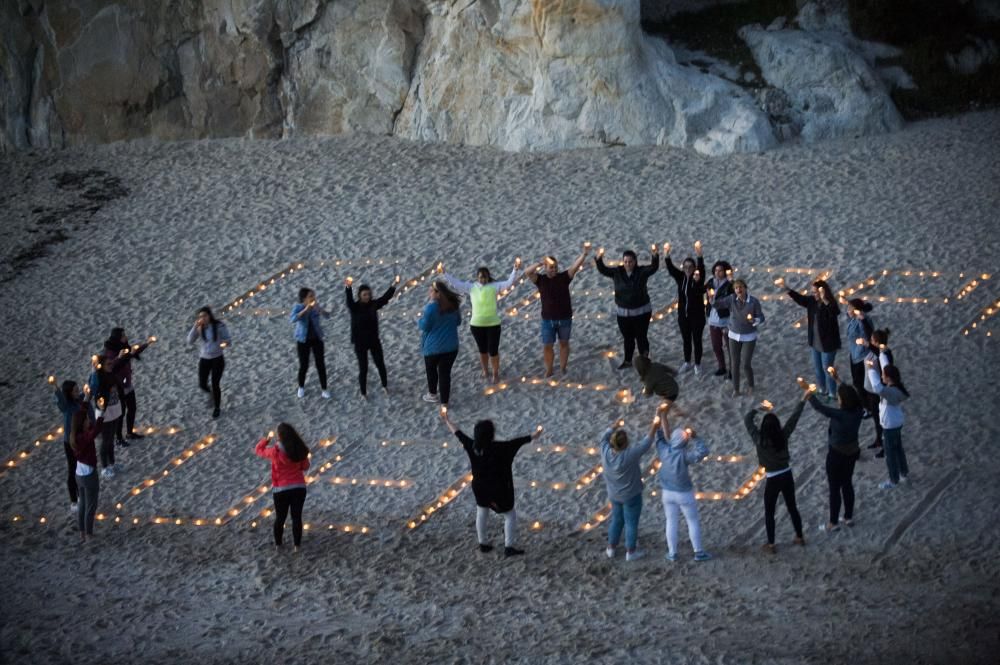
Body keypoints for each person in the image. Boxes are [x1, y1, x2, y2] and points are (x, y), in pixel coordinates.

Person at [440, 407, 543, 557]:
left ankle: (483, 543)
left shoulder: (473, 446)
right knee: (509, 515)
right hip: (499, 490)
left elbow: (458, 433)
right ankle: (509, 546)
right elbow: (519, 441)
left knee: (482, 512)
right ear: (492, 434)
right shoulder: (503, 448)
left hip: (480, 488)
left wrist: (447, 420)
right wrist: (535, 435)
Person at [600, 405, 665, 561]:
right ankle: (631, 551)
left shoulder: (605, 450)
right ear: (625, 443)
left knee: (616, 519)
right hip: (631, 496)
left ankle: (611, 548)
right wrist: (655, 423)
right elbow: (648, 441)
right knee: (631, 523)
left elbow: (604, 437)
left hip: (614, 495)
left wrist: (613, 427)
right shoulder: (630, 454)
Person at [442, 259, 522, 384]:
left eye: (484, 278)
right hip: (476, 325)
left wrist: (515, 270)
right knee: (482, 349)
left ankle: (495, 373)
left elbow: (509, 283)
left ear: (488, 277)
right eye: (480, 277)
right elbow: (456, 284)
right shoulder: (471, 287)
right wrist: (445, 273)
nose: (482, 280)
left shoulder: (494, 286)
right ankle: (485, 370)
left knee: (493, 350)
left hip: (493, 324)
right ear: (477, 277)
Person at [744, 395, 808, 553]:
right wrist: (802, 400)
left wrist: (760, 408)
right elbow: (794, 418)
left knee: (769, 511)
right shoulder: (783, 436)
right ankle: (799, 536)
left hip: (772, 479)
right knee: (792, 507)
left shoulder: (759, 439)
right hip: (787, 475)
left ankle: (771, 544)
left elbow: (747, 420)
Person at [804, 374, 864, 533]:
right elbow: (850, 393)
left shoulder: (840, 415)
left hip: (836, 454)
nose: (838, 399)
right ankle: (848, 517)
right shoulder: (859, 411)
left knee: (834, 488)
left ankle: (833, 523)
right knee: (847, 483)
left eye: (839, 397)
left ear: (843, 400)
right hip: (852, 452)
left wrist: (809, 394)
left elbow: (820, 408)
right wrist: (837, 379)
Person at [524, 245, 590, 377]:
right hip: (548, 320)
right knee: (547, 346)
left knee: (564, 344)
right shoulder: (541, 280)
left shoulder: (564, 277)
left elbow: (574, 267)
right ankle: (549, 369)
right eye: (551, 267)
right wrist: (540, 263)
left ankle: (563, 367)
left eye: (555, 267)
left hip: (565, 319)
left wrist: (584, 255)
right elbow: (527, 272)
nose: (553, 269)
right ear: (546, 268)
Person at [655, 407, 711, 561]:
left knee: (671, 522)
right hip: (684, 493)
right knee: (692, 521)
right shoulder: (686, 455)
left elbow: (658, 437)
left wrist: (658, 418)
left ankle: (672, 553)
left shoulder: (664, 450)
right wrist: (696, 437)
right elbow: (703, 451)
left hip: (667, 493)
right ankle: (698, 552)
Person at [594, 245, 660, 369]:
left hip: (642, 312)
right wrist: (598, 258)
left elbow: (653, 267)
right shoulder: (617, 272)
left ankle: (644, 360)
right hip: (623, 313)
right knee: (628, 338)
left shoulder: (641, 272)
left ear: (635, 261)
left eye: (630, 261)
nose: (628, 264)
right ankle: (628, 360)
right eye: (625, 261)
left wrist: (655, 255)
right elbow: (603, 269)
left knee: (641, 336)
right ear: (622, 262)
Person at [254, 424, 311, 552]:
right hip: (298, 488)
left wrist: (267, 439)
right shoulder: (299, 449)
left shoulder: (275, 451)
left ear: (279, 436)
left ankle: (278, 544)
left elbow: (258, 449)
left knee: (280, 518)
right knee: (297, 517)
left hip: (281, 489)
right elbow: (305, 467)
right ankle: (297, 546)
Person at [782, 278, 842, 398]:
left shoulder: (829, 303)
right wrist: (788, 290)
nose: (814, 294)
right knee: (818, 369)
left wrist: (824, 299)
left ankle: (832, 394)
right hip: (815, 343)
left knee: (827, 370)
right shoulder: (812, 302)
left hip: (828, 345)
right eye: (813, 292)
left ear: (823, 292)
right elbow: (801, 299)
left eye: (816, 292)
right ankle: (823, 389)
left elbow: (835, 312)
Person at [345, 276, 400, 398]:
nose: (367, 296)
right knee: (363, 368)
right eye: (364, 295)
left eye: (369, 294)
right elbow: (348, 300)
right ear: (359, 295)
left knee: (380, 364)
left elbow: (385, 298)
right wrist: (348, 287)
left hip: (374, 340)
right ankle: (363, 392)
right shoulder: (354, 307)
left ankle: (384, 385)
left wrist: (394, 284)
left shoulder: (373, 304)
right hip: (360, 342)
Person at [710, 279, 764, 396]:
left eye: (741, 287)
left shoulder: (753, 302)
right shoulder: (731, 299)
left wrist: (754, 320)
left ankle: (751, 385)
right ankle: (736, 389)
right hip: (733, 335)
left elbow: (761, 317)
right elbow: (718, 304)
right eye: (736, 288)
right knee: (734, 363)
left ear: (745, 288)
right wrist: (712, 300)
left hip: (749, 336)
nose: (738, 290)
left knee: (746, 364)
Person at [102, 328, 152, 445]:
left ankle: (129, 433)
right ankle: (118, 438)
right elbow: (109, 366)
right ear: (117, 337)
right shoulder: (110, 351)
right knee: (121, 412)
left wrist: (147, 344)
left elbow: (133, 352)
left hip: (127, 383)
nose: (126, 337)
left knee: (132, 408)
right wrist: (118, 357)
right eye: (123, 335)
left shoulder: (124, 346)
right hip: (117, 385)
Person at [664, 242, 707, 375]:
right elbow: (671, 268)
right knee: (686, 339)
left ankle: (698, 364)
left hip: (697, 316)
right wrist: (666, 254)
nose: (688, 269)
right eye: (686, 266)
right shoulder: (680, 277)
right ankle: (687, 362)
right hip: (683, 315)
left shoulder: (698, 278)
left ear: (694, 268)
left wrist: (699, 255)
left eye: (691, 267)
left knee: (697, 340)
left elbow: (701, 268)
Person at [418, 281, 462, 406]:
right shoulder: (453, 305)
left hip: (433, 347)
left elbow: (424, 326)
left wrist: (420, 320)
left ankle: (432, 394)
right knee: (445, 374)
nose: (429, 292)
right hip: (451, 347)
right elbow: (458, 322)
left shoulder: (431, 307)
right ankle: (444, 402)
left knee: (431, 371)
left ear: (437, 294)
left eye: (431, 290)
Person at [867, 363, 910, 489]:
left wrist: (871, 370)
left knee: (890, 454)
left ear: (889, 377)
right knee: (898, 450)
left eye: (883, 375)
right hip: (896, 424)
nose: (882, 377)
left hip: (890, 426)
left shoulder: (890, 391)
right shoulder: (896, 389)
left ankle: (893, 479)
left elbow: (877, 387)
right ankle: (903, 473)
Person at [87, 351, 127, 479]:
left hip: (115, 408)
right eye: (108, 363)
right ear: (101, 366)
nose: (111, 365)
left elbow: (117, 363)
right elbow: (92, 388)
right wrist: (93, 370)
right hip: (104, 412)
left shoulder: (110, 373)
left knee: (111, 440)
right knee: (106, 440)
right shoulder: (97, 376)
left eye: (111, 363)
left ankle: (112, 464)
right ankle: (104, 468)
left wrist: (119, 357)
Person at [186, 306, 231, 418]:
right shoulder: (199, 328)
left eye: (205, 315)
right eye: (200, 316)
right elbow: (189, 341)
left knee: (215, 384)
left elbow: (228, 340)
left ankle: (217, 407)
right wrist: (195, 326)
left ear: (209, 315)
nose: (203, 318)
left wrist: (224, 344)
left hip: (217, 359)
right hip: (204, 359)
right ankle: (211, 394)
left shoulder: (219, 326)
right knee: (202, 384)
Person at [289, 288, 331, 399]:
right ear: (304, 298)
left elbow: (328, 316)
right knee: (304, 365)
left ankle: (324, 389)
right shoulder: (298, 307)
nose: (313, 298)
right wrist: (305, 310)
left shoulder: (316, 307)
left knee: (320, 364)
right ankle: (301, 387)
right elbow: (292, 319)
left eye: (313, 295)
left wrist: (320, 310)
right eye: (311, 296)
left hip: (317, 338)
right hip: (303, 340)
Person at [69, 408, 104, 542]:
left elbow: (91, 431)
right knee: (91, 505)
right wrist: (100, 416)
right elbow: (95, 432)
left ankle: (82, 532)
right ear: (82, 423)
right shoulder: (83, 437)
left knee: (83, 503)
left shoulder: (75, 436)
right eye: (87, 420)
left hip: (79, 473)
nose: (89, 421)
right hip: (89, 475)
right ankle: (88, 533)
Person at [54, 379, 85, 511]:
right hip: (70, 443)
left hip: (81, 441)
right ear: (69, 393)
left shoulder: (80, 400)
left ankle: (81, 495)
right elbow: (61, 401)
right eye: (76, 390)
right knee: (72, 470)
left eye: (78, 389)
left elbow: (89, 391)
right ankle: (74, 501)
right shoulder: (67, 406)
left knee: (81, 468)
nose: (79, 392)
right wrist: (55, 387)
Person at [863, 328, 894, 458]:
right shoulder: (876, 351)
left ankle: (883, 445)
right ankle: (878, 440)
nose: (870, 342)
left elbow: (884, 368)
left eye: (872, 340)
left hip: (877, 391)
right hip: (871, 390)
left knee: (881, 420)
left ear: (876, 342)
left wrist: (867, 345)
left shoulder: (884, 354)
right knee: (876, 419)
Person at [705, 260, 734, 378]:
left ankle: (732, 369)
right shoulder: (710, 282)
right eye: (716, 270)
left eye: (720, 270)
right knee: (716, 346)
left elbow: (730, 300)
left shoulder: (729, 284)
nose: (718, 272)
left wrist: (715, 302)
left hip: (725, 319)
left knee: (729, 346)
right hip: (713, 319)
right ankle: (721, 367)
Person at [845, 300, 875, 402]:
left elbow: (866, 336)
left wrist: (858, 352)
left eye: (849, 308)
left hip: (862, 356)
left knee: (861, 383)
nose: (847, 310)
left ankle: (868, 406)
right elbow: (848, 317)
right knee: (856, 382)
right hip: (854, 355)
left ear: (856, 310)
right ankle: (865, 405)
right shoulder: (853, 319)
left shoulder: (863, 320)